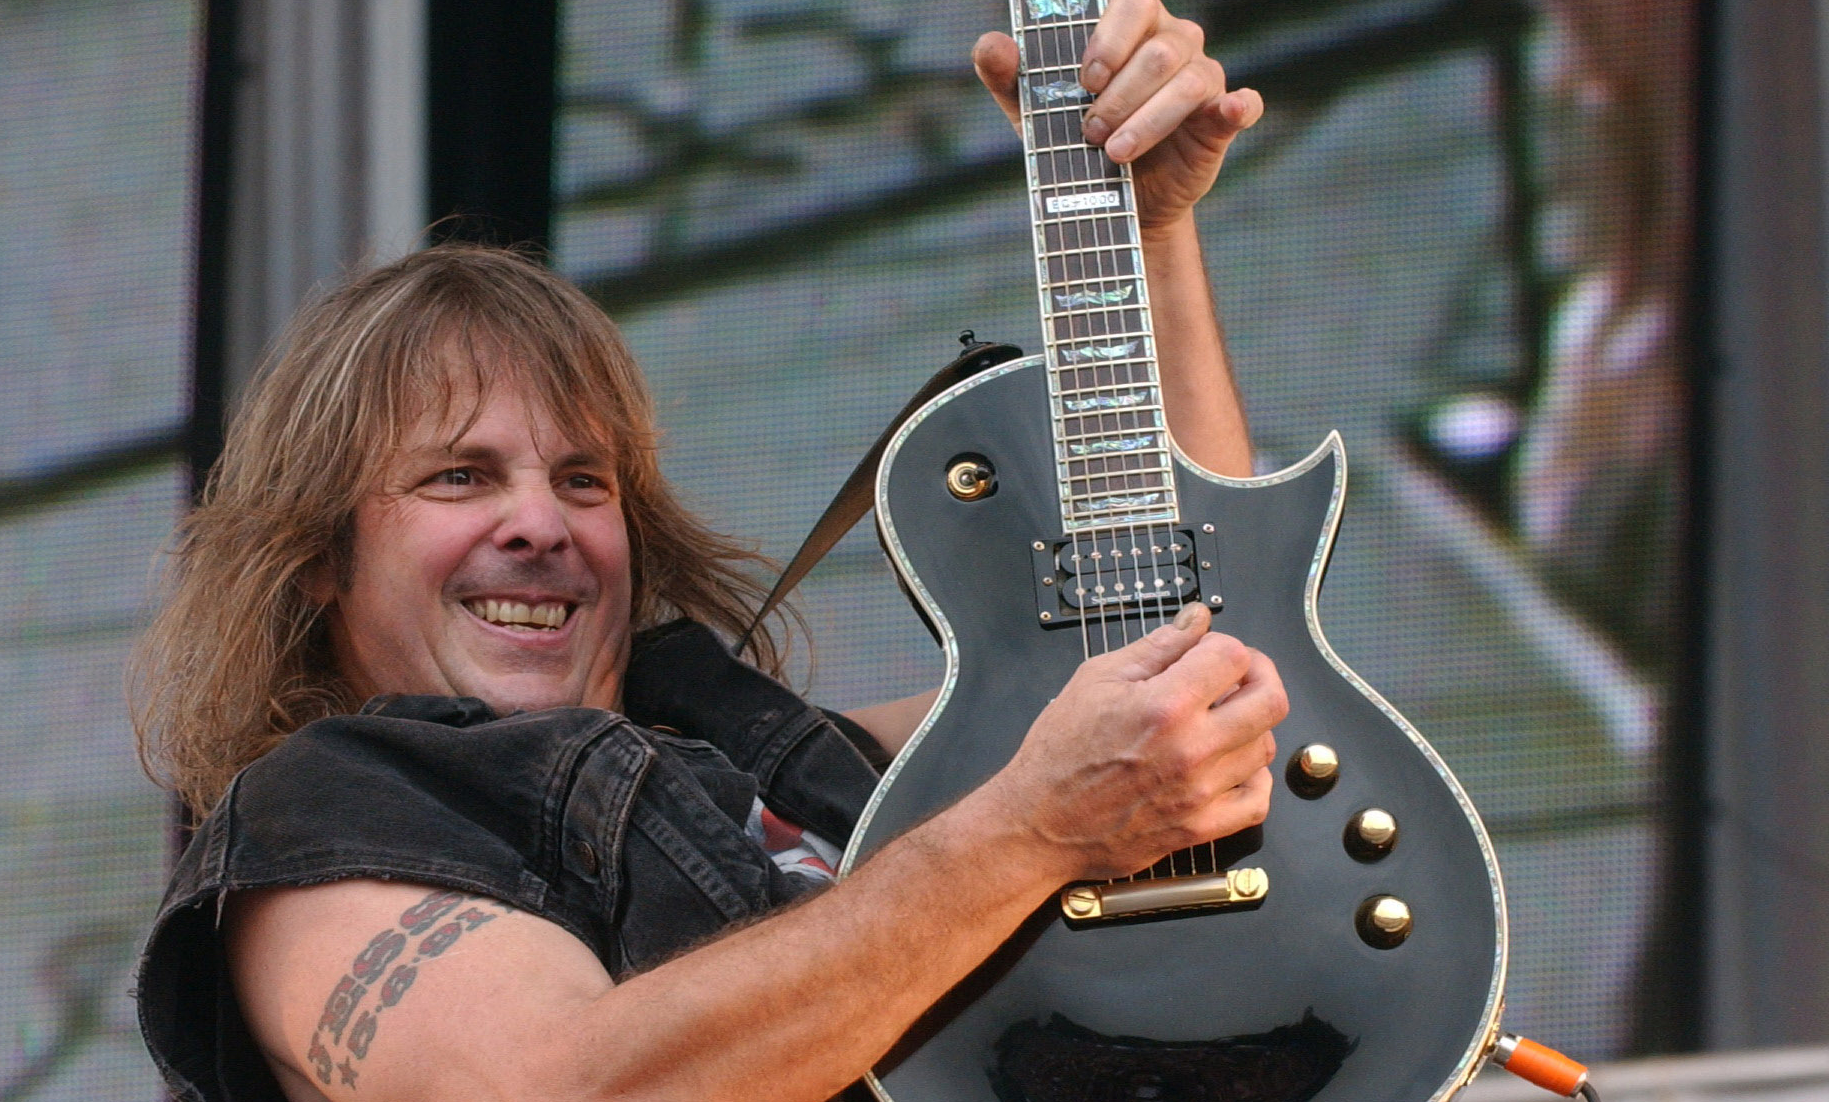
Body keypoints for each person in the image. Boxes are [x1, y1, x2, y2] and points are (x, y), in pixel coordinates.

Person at [131, 4, 1285, 1100]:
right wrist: (1030, 832)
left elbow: (1196, 686)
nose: (542, 523)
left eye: (584, 480)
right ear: (320, 556)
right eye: (459, 476)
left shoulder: (773, 748)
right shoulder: (312, 829)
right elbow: (560, 1085)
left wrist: (1146, 241)